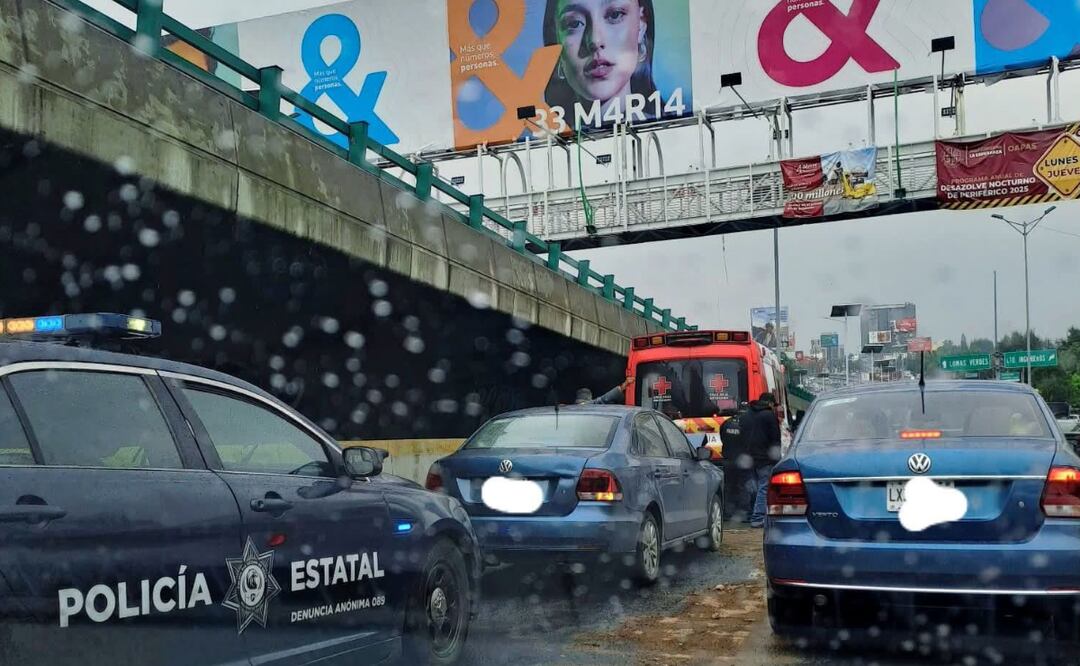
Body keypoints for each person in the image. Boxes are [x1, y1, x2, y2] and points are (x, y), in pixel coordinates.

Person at [543, 0, 660, 121]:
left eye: (615, 15)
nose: (595, 40)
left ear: (641, 25)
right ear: (556, 39)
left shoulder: (672, 132)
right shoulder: (538, 135)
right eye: (574, 23)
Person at [746, 392, 782, 528]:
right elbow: (775, 439)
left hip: (749, 457)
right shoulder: (768, 415)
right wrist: (776, 458)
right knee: (764, 487)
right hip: (764, 458)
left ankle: (751, 513)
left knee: (754, 487)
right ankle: (757, 517)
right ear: (770, 403)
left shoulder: (750, 413)